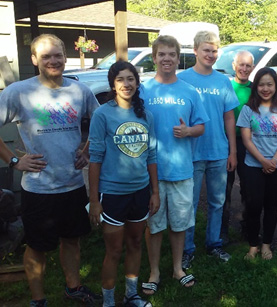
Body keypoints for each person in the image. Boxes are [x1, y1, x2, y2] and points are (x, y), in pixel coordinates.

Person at [0, 34, 101, 307]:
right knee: (37, 246)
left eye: (57, 55)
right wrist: (14, 161)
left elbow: (100, 121)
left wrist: (87, 150)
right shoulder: (18, 92)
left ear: (65, 57)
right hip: (38, 188)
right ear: (34, 60)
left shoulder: (80, 91)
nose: (53, 61)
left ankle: (73, 288)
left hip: (72, 183)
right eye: (46, 56)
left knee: (71, 240)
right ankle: (38, 300)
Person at [88, 61, 159, 307]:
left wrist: (155, 192)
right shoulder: (102, 114)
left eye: (130, 79)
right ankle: (109, 302)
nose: (126, 84)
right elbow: (95, 158)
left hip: (140, 192)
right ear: (112, 84)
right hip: (113, 194)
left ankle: (131, 295)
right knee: (114, 251)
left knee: (135, 243)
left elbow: (151, 155)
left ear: (137, 83)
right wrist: (95, 200)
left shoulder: (145, 115)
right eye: (120, 79)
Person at [140, 35, 208, 292]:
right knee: (154, 224)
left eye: (171, 54)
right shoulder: (144, 90)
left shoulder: (189, 91)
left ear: (178, 59)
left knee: (179, 223)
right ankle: (154, 271)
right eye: (162, 54)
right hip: (151, 172)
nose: (166, 59)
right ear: (154, 57)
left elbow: (201, 126)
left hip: (181, 169)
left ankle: (178, 268)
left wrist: (188, 131)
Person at [179, 31, 239, 269]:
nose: (211, 55)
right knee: (189, 204)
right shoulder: (182, 79)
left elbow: (229, 118)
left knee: (217, 201)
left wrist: (232, 151)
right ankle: (186, 248)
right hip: (191, 152)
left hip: (218, 151)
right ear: (195, 50)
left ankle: (214, 243)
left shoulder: (223, 81)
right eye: (206, 50)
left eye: (214, 51)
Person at [237, 67, 277, 260]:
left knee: (271, 206)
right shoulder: (248, 109)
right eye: (261, 84)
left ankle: (266, 245)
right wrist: (263, 161)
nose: (265, 88)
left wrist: (274, 161)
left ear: (275, 86)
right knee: (254, 206)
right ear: (256, 86)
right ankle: (253, 245)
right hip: (253, 165)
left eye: (269, 84)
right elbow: (246, 140)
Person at [221, 50, 254, 240]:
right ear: (234, 66)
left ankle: (247, 228)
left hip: (249, 143)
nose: (244, 68)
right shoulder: (226, 86)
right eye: (241, 64)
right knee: (224, 188)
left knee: (248, 188)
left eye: (248, 65)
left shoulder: (256, 88)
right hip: (226, 142)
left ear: (252, 68)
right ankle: (222, 231)